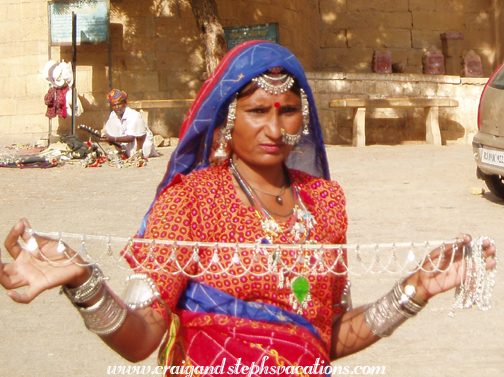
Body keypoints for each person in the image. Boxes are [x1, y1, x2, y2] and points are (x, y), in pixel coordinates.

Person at [0, 41, 497, 376]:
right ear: (225, 120)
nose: (276, 129)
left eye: (288, 111)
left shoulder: (326, 204)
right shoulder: (190, 200)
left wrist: (414, 290)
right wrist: (81, 281)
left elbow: (327, 338)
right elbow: (141, 340)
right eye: (258, 111)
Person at [101, 89, 158, 159]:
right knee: (110, 123)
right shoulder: (113, 116)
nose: (117, 107)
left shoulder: (134, 115)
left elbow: (131, 138)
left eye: (119, 104)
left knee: (138, 121)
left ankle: (138, 153)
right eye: (114, 105)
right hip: (126, 145)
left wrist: (113, 139)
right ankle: (122, 152)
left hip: (142, 146)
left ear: (125, 103)